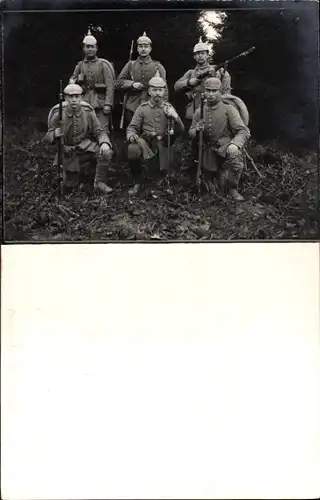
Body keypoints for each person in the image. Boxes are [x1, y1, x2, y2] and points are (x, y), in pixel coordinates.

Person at [44, 83, 113, 195]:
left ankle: (99, 182)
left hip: (85, 147)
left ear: (81, 97)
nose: (74, 100)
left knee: (106, 152)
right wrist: (54, 135)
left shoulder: (88, 112)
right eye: (71, 97)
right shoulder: (58, 114)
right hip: (68, 152)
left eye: (77, 96)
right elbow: (46, 138)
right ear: (66, 98)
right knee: (69, 188)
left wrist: (104, 142)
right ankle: (73, 177)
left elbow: (99, 131)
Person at [189, 77, 250, 201]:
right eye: (208, 90)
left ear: (220, 91)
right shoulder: (199, 111)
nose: (210, 94)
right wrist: (196, 130)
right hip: (208, 150)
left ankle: (233, 189)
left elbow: (243, 131)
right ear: (204, 91)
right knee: (210, 185)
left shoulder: (229, 109)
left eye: (214, 90)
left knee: (235, 159)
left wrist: (235, 144)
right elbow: (190, 133)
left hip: (225, 147)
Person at [126, 72, 185, 195]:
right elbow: (132, 127)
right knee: (132, 150)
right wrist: (131, 135)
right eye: (154, 90)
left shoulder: (169, 108)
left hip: (164, 143)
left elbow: (181, 131)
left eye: (160, 90)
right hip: (147, 143)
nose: (157, 93)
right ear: (149, 91)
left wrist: (175, 116)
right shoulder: (142, 108)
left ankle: (162, 181)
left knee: (165, 157)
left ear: (164, 91)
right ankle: (138, 181)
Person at [116, 31, 168, 129]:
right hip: (132, 105)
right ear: (137, 48)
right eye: (140, 46)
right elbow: (118, 83)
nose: (143, 49)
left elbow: (164, 90)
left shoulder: (158, 66)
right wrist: (132, 84)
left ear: (150, 48)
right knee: (132, 134)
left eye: (146, 46)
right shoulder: (130, 65)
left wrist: (165, 106)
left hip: (152, 104)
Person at [174, 37, 232, 125]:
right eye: (197, 54)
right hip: (195, 112)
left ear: (207, 55)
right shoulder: (190, 73)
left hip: (214, 112)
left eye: (203, 53)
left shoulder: (219, 71)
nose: (200, 56)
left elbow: (226, 94)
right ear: (194, 56)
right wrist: (189, 82)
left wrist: (215, 77)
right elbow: (176, 86)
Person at [69, 29, 115, 135]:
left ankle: (104, 150)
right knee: (85, 129)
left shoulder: (103, 65)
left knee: (102, 131)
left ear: (96, 48)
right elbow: (72, 83)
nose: (90, 49)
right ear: (84, 48)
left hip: (100, 103)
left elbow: (110, 86)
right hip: (84, 102)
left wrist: (108, 104)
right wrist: (74, 82)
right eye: (87, 46)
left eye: (92, 46)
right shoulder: (80, 65)